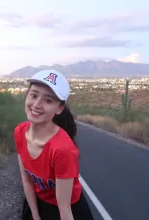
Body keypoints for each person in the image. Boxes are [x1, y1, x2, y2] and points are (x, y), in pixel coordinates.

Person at [13, 70, 94, 220]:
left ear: (59, 108)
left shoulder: (62, 150)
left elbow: (65, 210)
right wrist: (35, 216)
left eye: (48, 100)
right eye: (34, 95)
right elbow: (27, 181)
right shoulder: (20, 132)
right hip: (38, 201)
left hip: (67, 209)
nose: (37, 104)